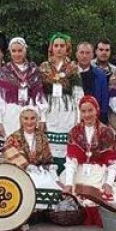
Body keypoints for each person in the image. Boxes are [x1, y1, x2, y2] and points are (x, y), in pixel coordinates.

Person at [60, 95, 116, 226]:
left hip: (99, 170)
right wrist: (69, 183)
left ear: (96, 110)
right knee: (72, 192)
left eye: (90, 110)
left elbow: (112, 162)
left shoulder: (106, 132)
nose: (87, 115)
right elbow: (71, 161)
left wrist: (109, 183)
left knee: (104, 195)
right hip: (79, 170)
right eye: (83, 111)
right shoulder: (75, 132)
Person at [0, 37, 48, 158]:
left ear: (25, 51)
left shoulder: (33, 70)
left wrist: (42, 117)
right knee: (6, 153)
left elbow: (39, 95)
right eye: (14, 51)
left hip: (29, 115)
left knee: (27, 153)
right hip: (9, 114)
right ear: (10, 52)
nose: (17, 54)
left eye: (20, 50)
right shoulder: (5, 71)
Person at [1, 106, 63, 209]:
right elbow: (7, 154)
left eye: (32, 118)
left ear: (37, 119)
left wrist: (54, 175)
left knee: (49, 184)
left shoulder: (42, 137)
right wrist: (26, 166)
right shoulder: (13, 137)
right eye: (26, 118)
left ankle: (43, 210)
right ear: (21, 120)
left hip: (39, 171)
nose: (29, 122)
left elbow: (47, 160)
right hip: (19, 172)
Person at [40, 33, 83, 171]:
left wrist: (79, 119)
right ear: (51, 48)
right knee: (49, 145)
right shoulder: (44, 67)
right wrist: (41, 117)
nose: (59, 49)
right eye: (56, 45)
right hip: (49, 110)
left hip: (67, 111)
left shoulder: (73, 67)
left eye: (62, 46)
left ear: (67, 48)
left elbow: (78, 94)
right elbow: (39, 95)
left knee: (65, 147)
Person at [75, 42, 109, 123]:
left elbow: (104, 100)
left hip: (94, 119)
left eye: (87, 53)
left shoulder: (100, 74)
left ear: (92, 55)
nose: (84, 56)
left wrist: (102, 121)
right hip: (73, 118)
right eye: (81, 52)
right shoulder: (69, 73)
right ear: (76, 54)